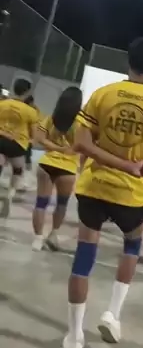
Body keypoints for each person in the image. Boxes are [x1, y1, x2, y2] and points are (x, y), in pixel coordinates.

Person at [64, 37, 143, 348]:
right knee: (132, 246)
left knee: (83, 259)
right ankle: (112, 314)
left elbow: (82, 142)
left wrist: (110, 157)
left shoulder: (103, 93)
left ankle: (73, 337)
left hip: (94, 187)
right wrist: (130, 164)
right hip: (131, 193)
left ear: (128, 61)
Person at [32, 86, 83, 251]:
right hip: (67, 168)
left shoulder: (50, 119)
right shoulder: (80, 123)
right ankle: (53, 234)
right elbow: (81, 146)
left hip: (46, 164)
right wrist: (65, 150)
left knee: (41, 203)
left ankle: (37, 239)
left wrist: (55, 148)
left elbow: (39, 138)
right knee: (61, 204)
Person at [0, 77, 38, 217]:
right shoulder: (31, 111)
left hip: (0, 139)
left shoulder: (2, 104)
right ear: (27, 92)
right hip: (17, 144)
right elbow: (34, 135)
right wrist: (30, 142)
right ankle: (9, 195)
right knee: (17, 171)